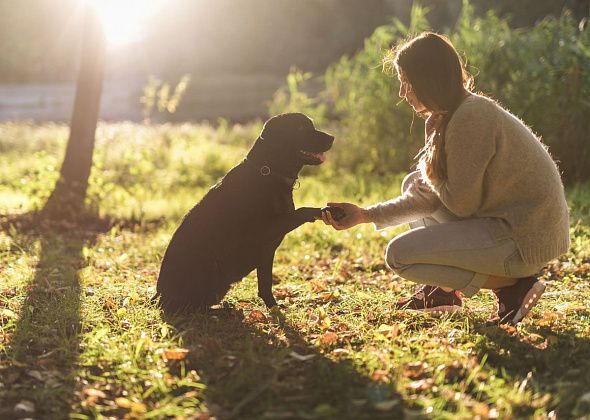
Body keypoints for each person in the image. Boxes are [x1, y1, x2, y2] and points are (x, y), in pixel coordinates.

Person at [321, 32, 570, 325]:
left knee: (399, 256)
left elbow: (461, 204)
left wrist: (429, 173)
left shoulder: (471, 117)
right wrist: (364, 215)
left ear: (428, 79)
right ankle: (442, 293)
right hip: (507, 224)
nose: (402, 92)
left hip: (525, 239)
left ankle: (513, 286)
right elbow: (431, 196)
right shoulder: (447, 117)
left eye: (407, 81)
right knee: (413, 182)